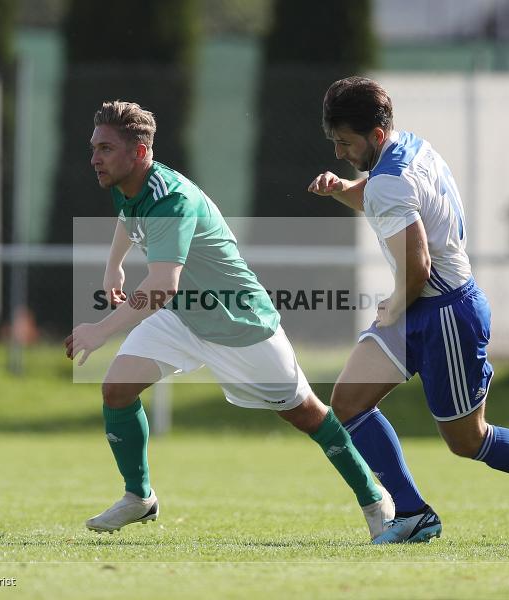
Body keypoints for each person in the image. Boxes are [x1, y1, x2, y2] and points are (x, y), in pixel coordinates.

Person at [65, 100, 394, 541]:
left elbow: (161, 285)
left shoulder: (173, 200)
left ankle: (374, 498)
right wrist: (113, 266)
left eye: (104, 148)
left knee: (307, 415)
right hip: (184, 319)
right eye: (94, 148)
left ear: (140, 153)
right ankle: (139, 498)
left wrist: (100, 330)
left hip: (239, 324)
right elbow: (129, 216)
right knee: (117, 389)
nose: (95, 158)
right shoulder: (124, 180)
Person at [308, 77, 509, 544]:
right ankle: (413, 513)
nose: (340, 151)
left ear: (376, 136)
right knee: (348, 402)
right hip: (422, 306)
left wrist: (392, 307)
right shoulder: (413, 148)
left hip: (445, 311)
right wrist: (344, 187)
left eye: (345, 143)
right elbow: (390, 197)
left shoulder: (387, 181)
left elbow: (419, 266)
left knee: (468, 441)